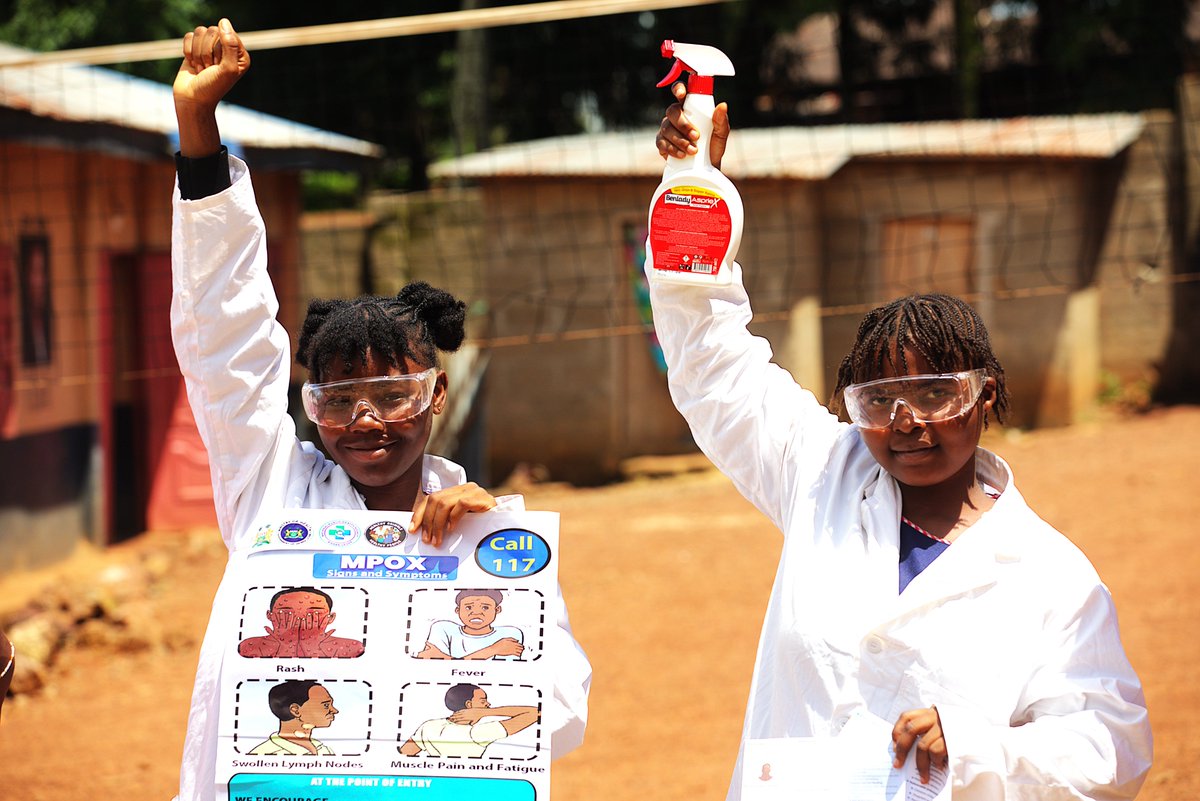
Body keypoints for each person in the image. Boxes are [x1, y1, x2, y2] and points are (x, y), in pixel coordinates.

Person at [652, 82, 1152, 800]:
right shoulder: (821, 472)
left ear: (984, 395)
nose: (905, 421)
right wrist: (693, 188)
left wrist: (975, 748)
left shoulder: (1053, 577)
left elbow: (1110, 751)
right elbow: (711, 362)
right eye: (879, 400)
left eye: (934, 394)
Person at [169, 20, 590, 801]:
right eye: (340, 401)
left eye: (394, 395)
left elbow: (561, 712)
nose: (367, 421)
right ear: (312, 410)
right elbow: (227, 341)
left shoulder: (492, 540)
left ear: (436, 395)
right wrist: (198, 135)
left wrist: (487, 561)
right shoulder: (272, 494)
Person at [399, 683, 539, 758]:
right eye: (483, 701)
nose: (488, 704)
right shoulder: (477, 733)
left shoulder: (429, 726)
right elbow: (535, 712)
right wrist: (487, 712)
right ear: (469, 705)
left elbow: (404, 754)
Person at [238, 587, 364, 658]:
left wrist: (312, 645)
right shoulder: (250, 646)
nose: (300, 618)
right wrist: (286, 645)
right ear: (269, 615)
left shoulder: (352, 648)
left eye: (314, 612)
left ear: (330, 618)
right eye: (286, 612)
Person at [416, 588, 525, 660]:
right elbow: (433, 665)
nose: (476, 613)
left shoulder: (510, 633)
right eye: (468, 607)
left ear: (497, 610)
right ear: (458, 610)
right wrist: (493, 650)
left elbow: (503, 671)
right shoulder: (442, 628)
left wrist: (447, 659)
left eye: (485, 607)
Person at [248, 680, 339, 756]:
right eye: (326, 705)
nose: (335, 710)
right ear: (296, 710)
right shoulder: (263, 755)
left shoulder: (325, 750)